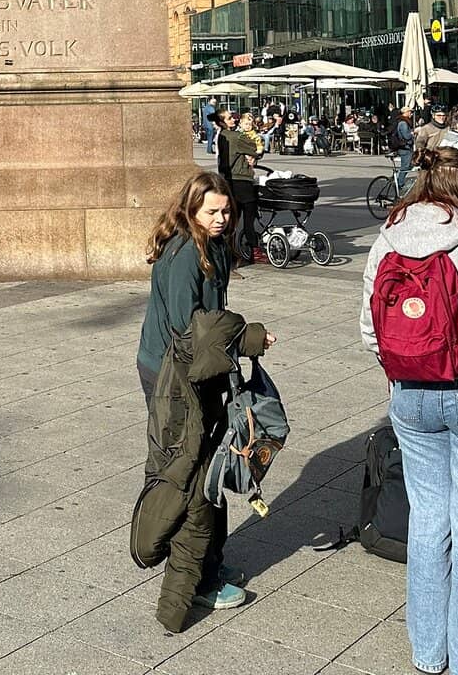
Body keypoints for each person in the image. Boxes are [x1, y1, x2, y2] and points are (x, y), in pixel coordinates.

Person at [136, 172, 276, 618]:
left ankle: (209, 565)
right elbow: (189, 331)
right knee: (191, 477)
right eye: (211, 211)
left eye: (226, 210)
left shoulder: (211, 245)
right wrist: (245, 338)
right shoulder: (183, 255)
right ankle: (198, 581)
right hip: (171, 377)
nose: (221, 218)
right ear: (190, 210)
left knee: (208, 469)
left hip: (195, 371)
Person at [360, 147, 458, 675]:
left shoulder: (388, 238)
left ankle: (428, 654)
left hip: (408, 391)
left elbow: (368, 329)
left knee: (428, 519)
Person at [214, 110, 259, 262]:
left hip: (228, 181)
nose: (233, 119)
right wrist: (254, 154)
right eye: (229, 118)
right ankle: (254, 249)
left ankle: (228, 252)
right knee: (249, 217)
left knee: (232, 221)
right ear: (221, 122)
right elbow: (254, 147)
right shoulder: (235, 136)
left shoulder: (221, 136)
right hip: (242, 180)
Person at [390, 106, 416, 191]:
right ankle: (399, 183)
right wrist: (413, 133)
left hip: (405, 147)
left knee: (408, 165)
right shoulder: (403, 123)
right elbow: (407, 136)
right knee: (405, 166)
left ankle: (398, 180)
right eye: (410, 112)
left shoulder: (403, 122)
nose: (411, 114)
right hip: (405, 147)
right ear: (405, 113)